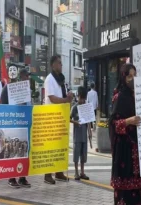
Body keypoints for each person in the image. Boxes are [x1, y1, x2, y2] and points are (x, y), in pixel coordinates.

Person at [109, 64, 141, 205]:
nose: (132, 79)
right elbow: (113, 123)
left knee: (140, 195)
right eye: (129, 76)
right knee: (125, 197)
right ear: (123, 77)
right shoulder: (119, 97)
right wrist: (128, 121)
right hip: (125, 154)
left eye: (134, 75)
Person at [43, 55, 73, 184]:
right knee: (50, 147)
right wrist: (66, 100)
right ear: (53, 65)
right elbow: (52, 98)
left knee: (60, 145)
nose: (61, 65)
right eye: (59, 63)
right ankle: (47, 174)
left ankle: (59, 172)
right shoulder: (50, 79)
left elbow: (63, 96)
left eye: (61, 63)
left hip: (60, 117)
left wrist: (69, 96)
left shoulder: (61, 80)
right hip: (51, 117)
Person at [0, 67, 31, 188]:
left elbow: (28, 106)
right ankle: (11, 177)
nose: (27, 79)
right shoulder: (7, 89)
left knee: (23, 151)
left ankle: (22, 177)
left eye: (28, 77)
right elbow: (2, 106)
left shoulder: (26, 91)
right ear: (20, 77)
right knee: (12, 151)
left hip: (23, 125)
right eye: (25, 77)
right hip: (12, 125)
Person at [70, 86, 91, 180]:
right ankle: (76, 172)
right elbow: (69, 118)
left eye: (84, 98)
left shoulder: (86, 107)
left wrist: (89, 131)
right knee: (76, 153)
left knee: (83, 154)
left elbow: (89, 121)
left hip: (84, 136)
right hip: (77, 136)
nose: (82, 100)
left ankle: (82, 172)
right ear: (78, 96)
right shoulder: (74, 107)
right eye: (81, 98)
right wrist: (76, 122)